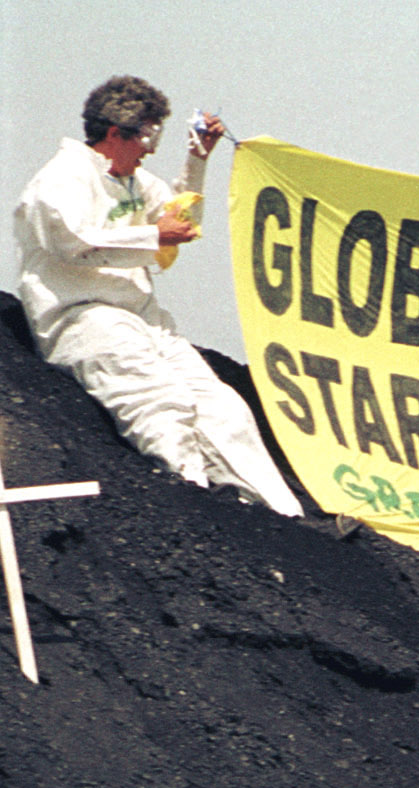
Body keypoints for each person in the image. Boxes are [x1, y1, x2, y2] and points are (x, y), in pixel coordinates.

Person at [14, 77, 302, 516]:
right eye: (146, 138)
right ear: (115, 133)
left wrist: (198, 159)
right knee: (160, 402)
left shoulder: (133, 182)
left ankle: (281, 517)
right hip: (84, 317)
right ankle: (193, 504)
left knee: (224, 408)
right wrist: (152, 234)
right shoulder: (61, 179)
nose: (150, 150)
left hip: (144, 316)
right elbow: (70, 239)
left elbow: (178, 217)